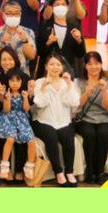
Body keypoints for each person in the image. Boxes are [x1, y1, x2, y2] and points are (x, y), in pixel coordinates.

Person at [32, 53, 80, 187]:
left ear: (62, 67)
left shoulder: (67, 82)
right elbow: (39, 104)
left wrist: (69, 85)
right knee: (51, 137)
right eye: (52, 64)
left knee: (68, 138)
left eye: (58, 64)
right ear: (46, 66)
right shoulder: (39, 82)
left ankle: (69, 172)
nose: (55, 67)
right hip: (43, 121)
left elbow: (74, 102)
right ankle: (58, 172)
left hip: (63, 121)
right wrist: (44, 88)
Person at [0, 47, 35, 182]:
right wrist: (3, 95)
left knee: (23, 135)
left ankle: (20, 169)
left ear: (15, 60)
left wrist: (30, 93)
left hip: (21, 114)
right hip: (4, 114)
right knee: (7, 136)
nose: (7, 62)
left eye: (10, 59)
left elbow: (29, 104)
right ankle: (7, 169)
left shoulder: (24, 77)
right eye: (3, 59)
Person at [75, 52, 108, 184]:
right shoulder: (78, 82)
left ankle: (100, 172)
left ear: (101, 65)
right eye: (90, 64)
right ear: (85, 66)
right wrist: (86, 93)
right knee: (90, 134)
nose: (93, 67)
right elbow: (76, 106)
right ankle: (90, 172)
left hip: (105, 118)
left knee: (103, 134)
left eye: (96, 63)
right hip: (84, 118)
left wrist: (104, 90)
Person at [35, 0, 86, 78]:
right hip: (46, 74)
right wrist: (48, 43)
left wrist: (79, 41)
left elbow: (80, 54)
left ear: (67, 7)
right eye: (57, 5)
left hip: (67, 74)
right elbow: (39, 52)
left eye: (63, 4)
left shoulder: (74, 28)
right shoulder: (45, 27)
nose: (60, 7)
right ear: (51, 8)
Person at [0, 1, 37, 77]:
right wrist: (1, 41)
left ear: (20, 15)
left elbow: (31, 57)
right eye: (9, 13)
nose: (13, 16)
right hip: (0, 75)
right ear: (3, 15)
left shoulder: (28, 32)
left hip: (22, 76)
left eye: (16, 13)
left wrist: (25, 40)